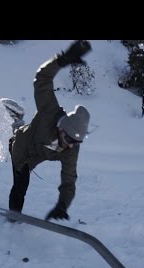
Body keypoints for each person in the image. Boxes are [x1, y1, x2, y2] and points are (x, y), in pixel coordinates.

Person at [8, 40, 92, 221]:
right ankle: (12, 220)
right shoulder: (50, 112)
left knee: (27, 165)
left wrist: (62, 205)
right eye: (69, 139)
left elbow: (69, 181)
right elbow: (42, 78)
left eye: (75, 142)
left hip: (36, 155)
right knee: (20, 184)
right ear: (62, 127)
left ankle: (18, 120)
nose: (70, 145)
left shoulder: (72, 147)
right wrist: (62, 59)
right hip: (21, 148)